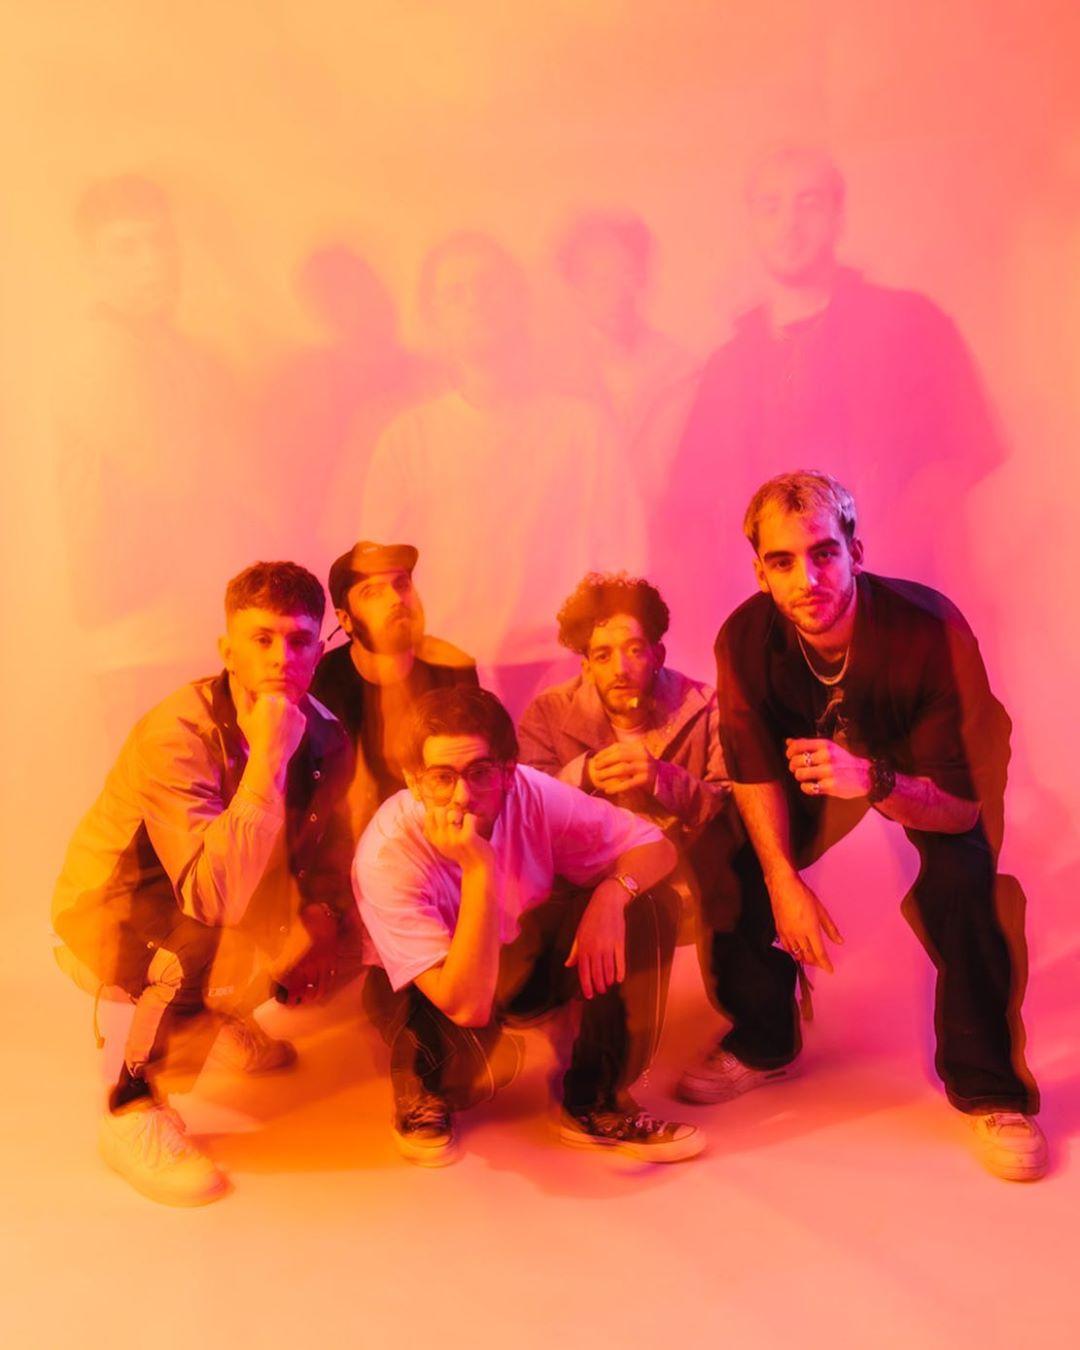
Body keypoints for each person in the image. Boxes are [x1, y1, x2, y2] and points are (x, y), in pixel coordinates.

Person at [699, 470, 1044, 1181]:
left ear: (856, 551)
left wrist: (876, 779)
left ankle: (990, 1090)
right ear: (760, 572)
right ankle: (764, 1041)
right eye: (782, 561)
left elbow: (960, 806)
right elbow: (755, 771)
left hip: (936, 769)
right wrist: (783, 881)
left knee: (964, 882)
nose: (807, 580)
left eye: (824, 553)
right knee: (729, 854)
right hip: (822, 759)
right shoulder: (744, 637)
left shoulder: (928, 631)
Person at [52, 562, 356, 1205]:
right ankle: (130, 1107)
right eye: (261, 638)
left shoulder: (328, 735)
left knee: (352, 926)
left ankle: (214, 1017)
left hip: (223, 885)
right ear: (228, 649)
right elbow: (210, 898)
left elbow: (327, 852)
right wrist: (268, 756)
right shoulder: (176, 732)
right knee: (205, 940)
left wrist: (323, 917)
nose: (281, 657)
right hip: (114, 900)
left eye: (299, 640)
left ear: (318, 650)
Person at [654, 144, 1004, 661]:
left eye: (809, 203)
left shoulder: (910, 324)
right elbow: (692, 511)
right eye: (771, 207)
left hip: (904, 624)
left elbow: (961, 457)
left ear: (839, 217)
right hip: (782, 644)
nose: (789, 225)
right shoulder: (728, 367)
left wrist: (874, 562)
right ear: (752, 224)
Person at [353, 685, 703, 1166]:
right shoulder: (387, 852)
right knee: (464, 1069)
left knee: (650, 904)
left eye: (480, 773)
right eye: (442, 778)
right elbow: (465, 1005)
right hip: (428, 985)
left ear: (508, 771)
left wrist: (611, 895)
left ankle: (596, 1104)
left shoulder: (534, 793)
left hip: (517, 954)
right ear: (415, 782)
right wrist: (478, 868)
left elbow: (656, 847)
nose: (463, 796)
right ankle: (424, 1085)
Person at [359, 231, 643, 714]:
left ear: (518, 301)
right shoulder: (407, 438)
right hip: (443, 678)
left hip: (563, 674)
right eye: (455, 293)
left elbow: (624, 561)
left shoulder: (581, 428)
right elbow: (376, 580)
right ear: (434, 317)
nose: (474, 302)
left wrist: (590, 661)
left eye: (488, 285)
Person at [517, 571, 733, 945]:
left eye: (633, 650)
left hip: (686, 886)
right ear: (587, 667)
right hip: (581, 891)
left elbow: (731, 811)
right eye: (603, 656)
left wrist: (662, 779)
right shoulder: (548, 713)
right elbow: (524, 811)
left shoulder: (703, 706)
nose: (620, 669)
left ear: (657, 655)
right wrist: (582, 775)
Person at [309, 539, 478, 839]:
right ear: (345, 619)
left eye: (402, 584)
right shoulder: (321, 683)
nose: (396, 599)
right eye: (372, 592)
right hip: (353, 847)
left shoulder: (452, 671)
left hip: (439, 834)